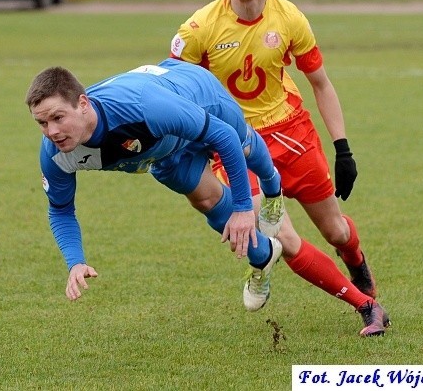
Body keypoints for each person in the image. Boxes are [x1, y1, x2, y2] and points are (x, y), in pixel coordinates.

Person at [25, 59, 389, 337]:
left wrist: (247, 208)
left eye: (57, 117)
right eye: (42, 123)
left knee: (244, 147)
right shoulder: (56, 154)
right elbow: (60, 209)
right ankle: (263, 259)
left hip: (199, 97)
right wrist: (75, 260)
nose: (52, 131)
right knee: (210, 206)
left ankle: (273, 187)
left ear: (83, 104)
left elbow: (224, 139)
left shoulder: (147, 107)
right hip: (164, 152)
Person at [169, 0, 385, 320]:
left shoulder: (289, 17)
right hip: (234, 142)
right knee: (282, 238)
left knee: (336, 231)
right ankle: (362, 305)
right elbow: (172, 92)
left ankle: (357, 263)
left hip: (291, 133)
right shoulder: (199, 28)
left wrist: (343, 148)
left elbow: (320, 83)